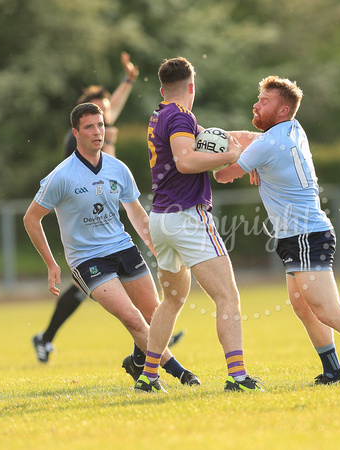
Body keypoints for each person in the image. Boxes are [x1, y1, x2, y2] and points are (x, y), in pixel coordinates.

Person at [215, 76, 340, 385]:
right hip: (297, 235)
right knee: (303, 306)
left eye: (264, 102)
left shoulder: (267, 144)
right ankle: (332, 371)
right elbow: (252, 139)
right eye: (258, 99)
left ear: (282, 110)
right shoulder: (293, 128)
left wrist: (230, 154)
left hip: (305, 235)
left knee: (326, 308)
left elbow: (222, 174)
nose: (256, 104)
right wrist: (247, 156)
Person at [24, 102, 200, 388]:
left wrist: (156, 248)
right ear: (76, 133)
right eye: (89, 127)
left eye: (101, 125)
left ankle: (138, 363)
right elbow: (31, 219)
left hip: (124, 249)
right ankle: (181, 373)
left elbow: (136, 213)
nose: (97, 132)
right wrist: (51, 264)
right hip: (88, 259)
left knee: (155, 317)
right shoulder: (62, 176)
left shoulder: (118, 168)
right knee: (132, 318)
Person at [134, 57, 263, 393]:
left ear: (163, 89)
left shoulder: (161, 113)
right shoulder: (180, 116)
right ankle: (238, 377)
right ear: (193, 86)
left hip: (161, 219)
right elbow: (186, 159)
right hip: (187, 217)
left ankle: (148, 376)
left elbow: (212, 137)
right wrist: (229, 158)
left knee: (172, 298)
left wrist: (244, 150)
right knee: (228, 296)